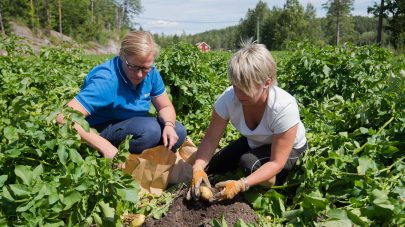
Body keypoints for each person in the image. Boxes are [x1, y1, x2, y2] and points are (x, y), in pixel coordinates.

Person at [189, 42, 307, 201]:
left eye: (245, 87)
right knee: (214, 165)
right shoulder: (229, 98)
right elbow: (210, 139)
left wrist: (242, 184)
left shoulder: (283, 106)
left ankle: (272, 185)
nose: (238, 93)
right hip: (255, 141)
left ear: (267, 82)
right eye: (235, 85)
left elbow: (277, 162)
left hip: (288, 148)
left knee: (248, 163)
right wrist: (198, 167)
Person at [57, 31, 187, 158]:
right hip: (101, 128)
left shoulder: (152, 73)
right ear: (122, 55)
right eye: (134, 67)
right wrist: (106, 147)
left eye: (145, 68)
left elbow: (165, 107)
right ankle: (124, 164)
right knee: (150, 131)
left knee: (178, 131)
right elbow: (64, 116)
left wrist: (169, 125)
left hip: (134, 124)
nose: (140, 74)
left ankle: (149, 166)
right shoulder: (107, 80)